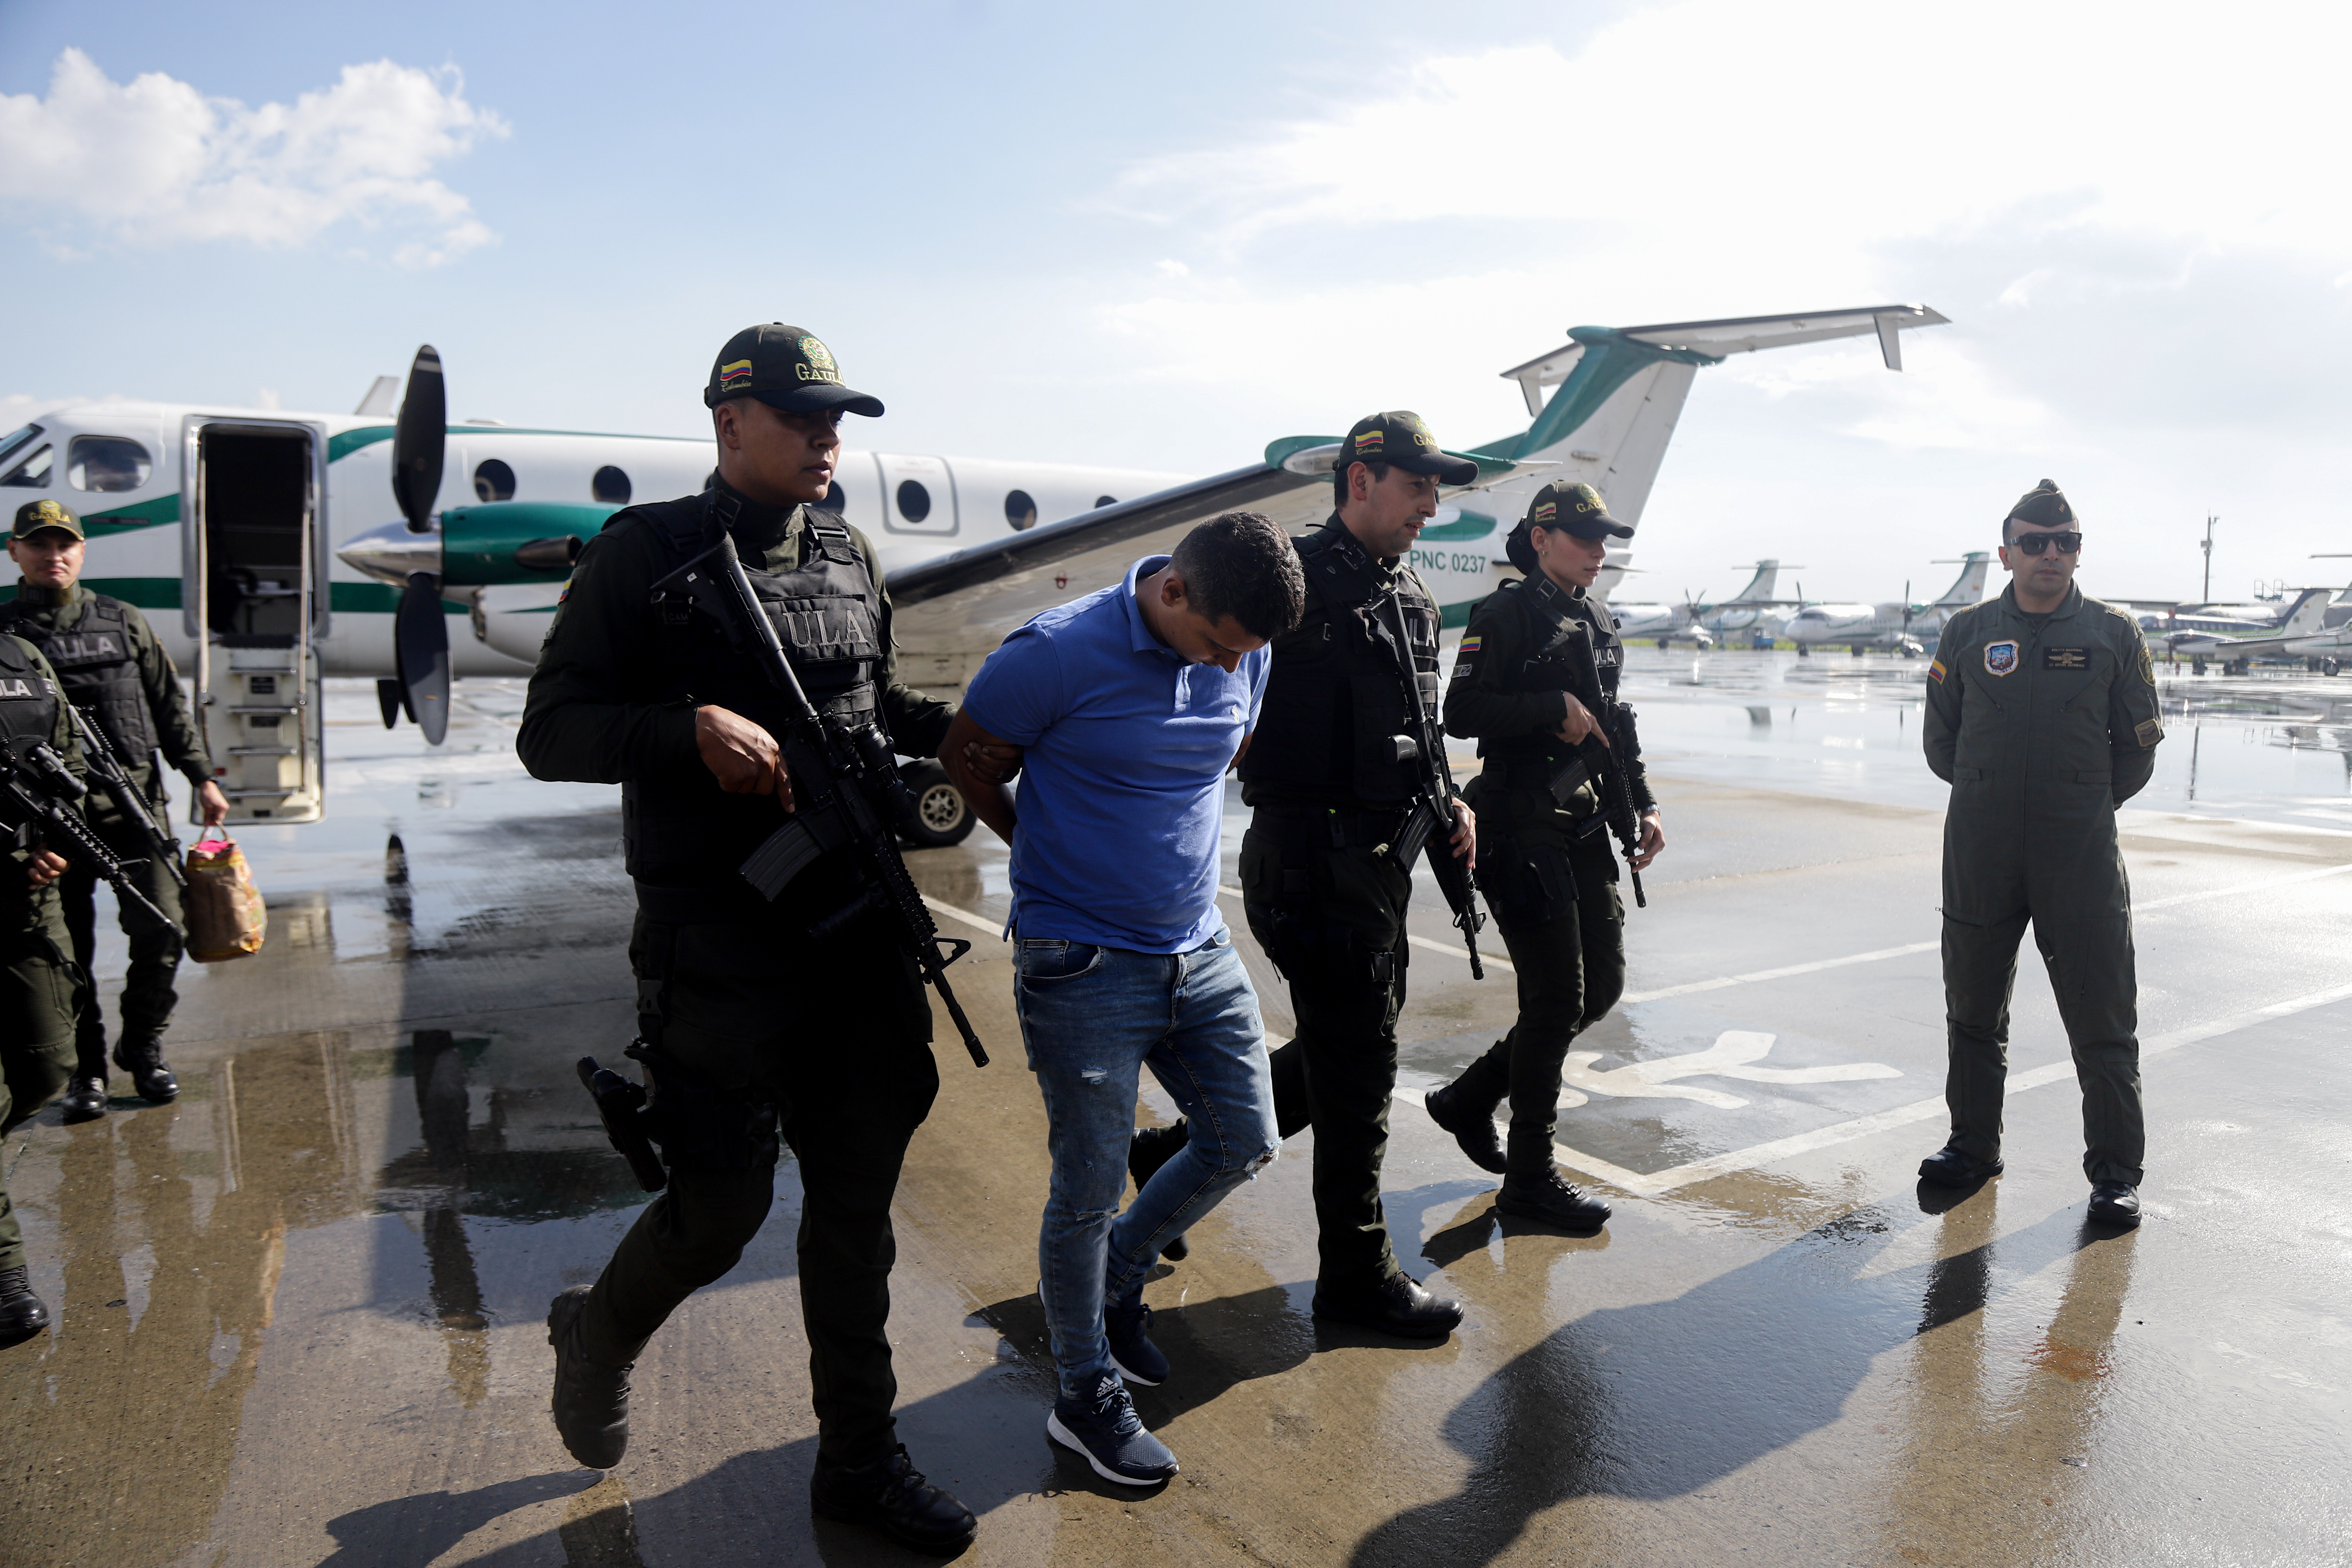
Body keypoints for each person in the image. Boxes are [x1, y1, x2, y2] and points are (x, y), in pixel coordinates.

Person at [517, 324, 985, 1555]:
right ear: (730, 422)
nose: (829, 438)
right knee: (718, 1214)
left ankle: (861, 1466)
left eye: (837, 418)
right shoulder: (644, 554)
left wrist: (984, 737)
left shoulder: (849, 553)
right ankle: (595, 1335)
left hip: (857, 938)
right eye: (801, 415)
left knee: (856, 1215)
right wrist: (687, 730)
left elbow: (875, 703)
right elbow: (551, 732)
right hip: (720, 951)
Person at [939, 511, 1300, 1486]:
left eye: (1246, 654)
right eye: (1219, 646)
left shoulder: (1246, 651)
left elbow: (1221, 751)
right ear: (1172, 591)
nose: (1231, 667)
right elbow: (964, 754)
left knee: (1244, 1140)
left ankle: (1120, 1279)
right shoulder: (1055, 654)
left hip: (1199, 945)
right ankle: (1083, 1394)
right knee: (1088, 1191)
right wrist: (1043, 853)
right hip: (1083, 960)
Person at [1134, 413, 1481, 1341]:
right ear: (1361, 480)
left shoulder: (1412, 595)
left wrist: (1451, 800)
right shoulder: (1291, 583)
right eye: (1417, 484)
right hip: (1308, 857)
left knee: (1345, 1049)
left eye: (1436, 487)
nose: (1432, 503)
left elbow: (1422, 725)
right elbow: (1200, 689)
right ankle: (1356, 1278)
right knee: (1361, 1071)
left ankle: (1168, 1155)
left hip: (1381, 864)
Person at [1919, 479, 2158, 1228]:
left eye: (2066, 542)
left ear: (2078, 553)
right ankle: (1971, 1147)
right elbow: (1941, 741)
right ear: (2007, 554)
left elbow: (2138, 751)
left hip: (2078, 854)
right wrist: (1995, 795)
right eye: (2034, 542)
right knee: (1972, 1009)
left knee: (2102, 1018)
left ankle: (2115, 1173)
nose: (2050, 554)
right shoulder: (1966, 633)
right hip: (1981, 848)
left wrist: (2077, 803)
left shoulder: (2115, 635)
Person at [1430, 481, 1661, 1231]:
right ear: (1540, 538)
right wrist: (1547, 709)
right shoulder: (1505, 614)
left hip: (1583, 823)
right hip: (1519, 822)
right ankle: (1530, 1179)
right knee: (1557, 998)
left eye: (1604, 541)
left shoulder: (1598, 618)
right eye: (1584, 538)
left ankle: (1469, 1097)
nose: (1598, 552)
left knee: (1602, 988)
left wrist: (1644, 804)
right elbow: (1460, 712)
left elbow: (1615, 724)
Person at [0, 498, 226, 1119]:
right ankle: (88, 1069)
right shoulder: (4, 633)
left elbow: (168, 706)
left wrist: (202, 777)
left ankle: (143, 1043)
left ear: (81, 550)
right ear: (14, 551)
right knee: (67, 951)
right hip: (46, 822)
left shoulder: (122, 621)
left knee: (165, 927)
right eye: (39, 544)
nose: (53, 555)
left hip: (133, 806)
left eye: (64, 544)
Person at [0, 617, 90, 1343]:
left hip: (28, 901)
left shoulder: (21, 658)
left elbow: (71, 757)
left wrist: (55, 840)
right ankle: (6, 1274)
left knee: (48, 1067)